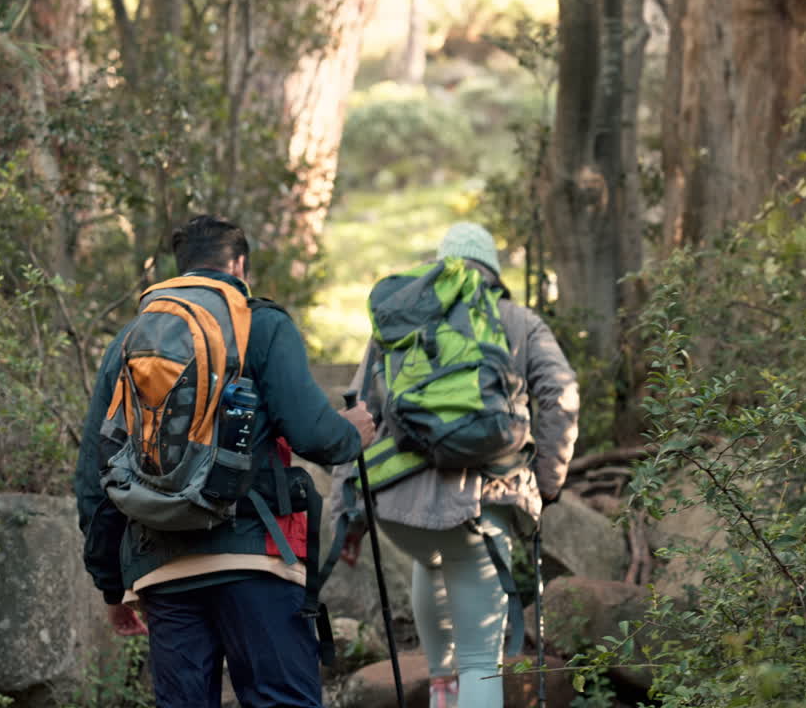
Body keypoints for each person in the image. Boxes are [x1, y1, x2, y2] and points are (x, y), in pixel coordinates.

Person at [75, 215, 376, 708]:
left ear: (182, 267)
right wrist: (353, 433)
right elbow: (313, 434)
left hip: (162, 565)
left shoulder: (130, 343)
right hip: (256, 555)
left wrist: (112, 585)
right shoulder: (262, 324)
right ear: (239, 266)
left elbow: (95, 475)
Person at [336, 222, 580, 708]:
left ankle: (442, 688)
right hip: (480, 502)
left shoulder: (401, 317)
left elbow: (359, 411)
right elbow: (561, 394)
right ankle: (458, 681)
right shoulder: (518, 320)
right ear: (492, 270)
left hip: (399, 509)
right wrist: (547, 484)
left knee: (432, 559)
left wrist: (347, 513)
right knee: (480, 662)